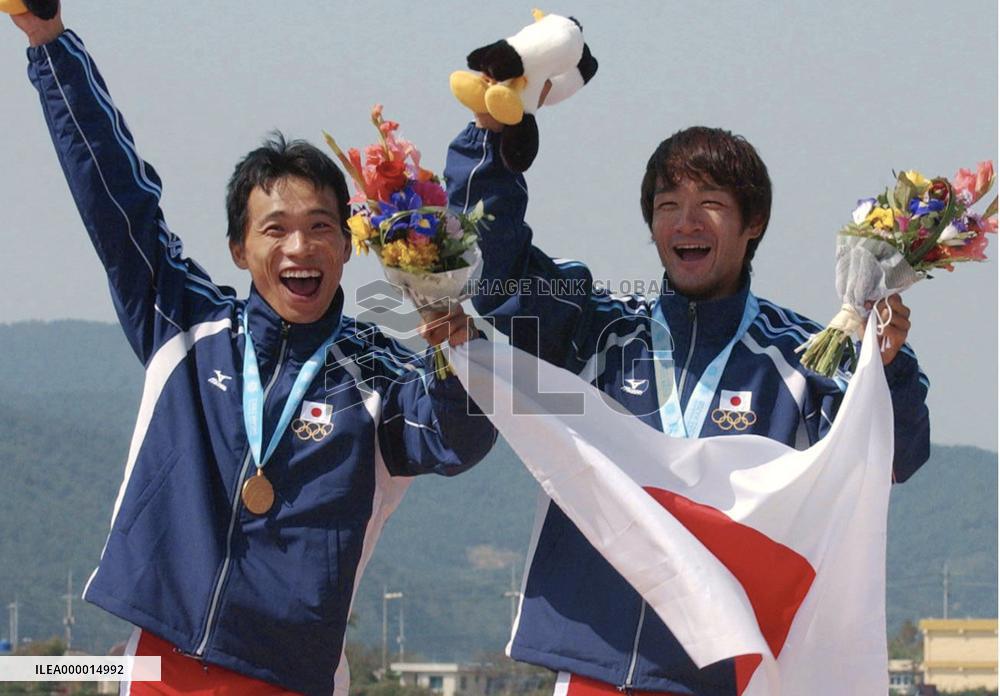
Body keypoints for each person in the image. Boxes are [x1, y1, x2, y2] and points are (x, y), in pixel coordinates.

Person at [11, 8, 495, 696]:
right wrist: (50, 44)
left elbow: (458, 438)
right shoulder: (186, 324)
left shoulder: (376, 375)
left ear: (351, 244)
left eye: (320, 227)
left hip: (290, 676)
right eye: (276, 229)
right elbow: (115, 193)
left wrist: (455, 334)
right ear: (240, 248)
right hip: (159, 665)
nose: (299, 248)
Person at [444, 110, 930, 693]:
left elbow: (894, 457)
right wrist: (492, 143)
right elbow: (499, 272)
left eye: (711, 204)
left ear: (754, 222)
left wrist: (889, 366)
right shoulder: (596, 331)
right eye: (667, 204)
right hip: (595, 667)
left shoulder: (805, 360)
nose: (685, 222)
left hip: (730, 676)